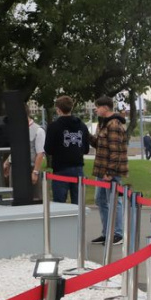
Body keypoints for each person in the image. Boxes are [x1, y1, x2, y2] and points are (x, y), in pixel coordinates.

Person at [89, 96, 127, 245]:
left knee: (114, 200)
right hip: (101, 170)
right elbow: (99, 145)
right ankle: (107, 232)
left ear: (105, 107)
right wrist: (87, 137)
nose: (96, 109)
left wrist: (110, 173)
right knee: (100, 200)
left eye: (97, 107)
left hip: (111, 172)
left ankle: (117, 233)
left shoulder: (114, 125)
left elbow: (115, 151)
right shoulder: (102, 124)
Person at [44, 95, 90, 204]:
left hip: (60, 168)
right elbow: (86, 149)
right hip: (78, 167)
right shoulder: (82, 126)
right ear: (72, 108)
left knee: (59, 204)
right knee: (78, 204)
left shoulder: (54, 127)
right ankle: (78, 221)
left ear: (58, 110)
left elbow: (48, 149)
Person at [2, 104, 46, 189]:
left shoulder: (38, 130)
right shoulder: (15, 129)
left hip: (30, 168)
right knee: (16, 198)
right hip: (15, 168)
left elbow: (40, 153)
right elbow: (17, 148)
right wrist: (7, 161)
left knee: (34, 198)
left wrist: (35, 172)